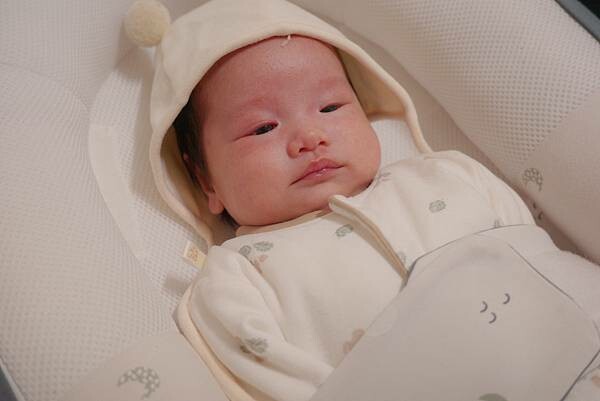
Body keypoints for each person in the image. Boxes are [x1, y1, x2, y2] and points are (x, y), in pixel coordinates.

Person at [144, 1, 600, 400]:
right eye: (263, 128)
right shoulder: (238, 277)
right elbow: (272, 383)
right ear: (205, 180)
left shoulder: (447, 175)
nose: (310, 137)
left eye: (330, 107)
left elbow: (541, 261)